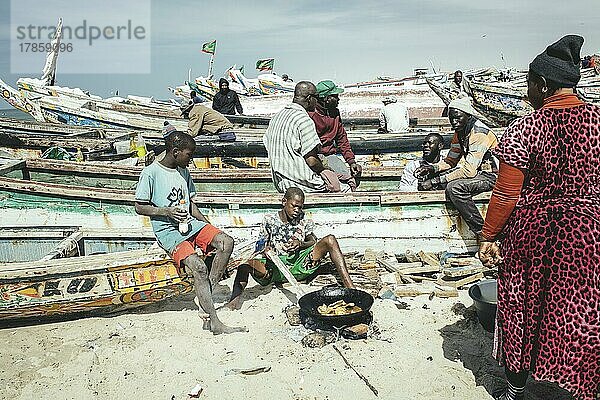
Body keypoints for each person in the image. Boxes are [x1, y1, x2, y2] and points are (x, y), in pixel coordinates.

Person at [478, 35, 599, 400]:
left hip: (532, 234)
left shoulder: (524, 128)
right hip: (587, 236)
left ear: (542, 85)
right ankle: (583, 387)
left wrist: (487, 236)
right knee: (581, 314)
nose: (527, 90)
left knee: (521, 311)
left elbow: (506, 194)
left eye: (529, 83)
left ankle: (515, 390)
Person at [134, 131, 246, 335]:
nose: (192, 159)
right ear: (175, 152)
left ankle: (206, 292)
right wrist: (165, 211)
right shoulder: (150, 173)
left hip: (188, 224)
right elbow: (140, 207)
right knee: (199, 267)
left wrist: (209, 227)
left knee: (226, 242)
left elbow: (190, 204)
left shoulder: (183, 171)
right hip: (168, 230)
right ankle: (213, 321)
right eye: (189, 155)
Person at [225, 187, 354, 309]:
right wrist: (266, 250)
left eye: (300, 207)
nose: (297, 210)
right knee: (244, 265)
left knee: (330, 240)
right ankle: (233, 302)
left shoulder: (303, 219)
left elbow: (312, 241)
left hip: (299, 265)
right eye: (294, 206)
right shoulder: (269, 220)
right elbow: (259, 245)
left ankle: (351, 289)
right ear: (284, 202)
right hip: (274, 268)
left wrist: (300, 244)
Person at [415, 97, 498, 235]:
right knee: (436, 177)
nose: (454, 122)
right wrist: (432, 168)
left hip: (491, 176)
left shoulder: (479, 134)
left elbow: (469, 172)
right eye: (451, 118)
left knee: (454, 188)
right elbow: (450, 161)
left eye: (458, 118)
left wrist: (436, 181)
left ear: (468, 115)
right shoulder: (459, 133)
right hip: (478, 173)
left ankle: (483, 232)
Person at [263, 81, 352, 193]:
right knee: (346, 189)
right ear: (310, 98)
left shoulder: (276, 117)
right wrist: (325, 171)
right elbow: (312, 161)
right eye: (316, 97)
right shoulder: (304, 120)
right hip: (301, 184)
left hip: (281, 183)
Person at [309, 79, 362, 182]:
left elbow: (342, 139)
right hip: (313, 158)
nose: (338, 99)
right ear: (326, 98)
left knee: (349, 179)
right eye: (335, 96)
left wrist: (351, 161)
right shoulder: (311, 115)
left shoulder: (335, 113)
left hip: (329, 156)